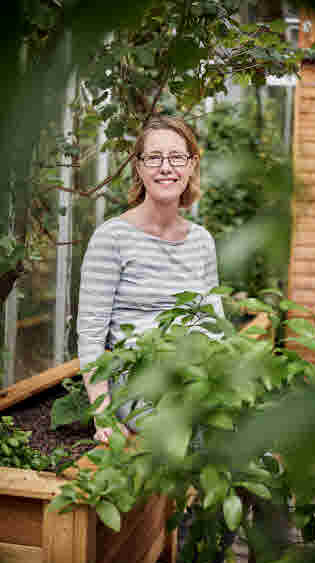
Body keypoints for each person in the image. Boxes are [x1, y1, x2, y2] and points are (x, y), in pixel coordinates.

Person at [77, 114, 224, 443]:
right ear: (139, 167)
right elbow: (91, 335)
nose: (166, 167)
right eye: (154, 157)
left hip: (196, 376)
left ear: (191, 165)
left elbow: (215, 322)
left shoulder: (201, 241)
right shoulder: (112, 238)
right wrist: (103, 415)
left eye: (176, 157)